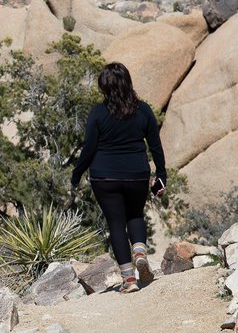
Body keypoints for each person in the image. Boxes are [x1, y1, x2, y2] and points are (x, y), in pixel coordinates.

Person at [71, 62, 167, 293]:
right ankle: (140, 252)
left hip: (105, 176)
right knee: (135, 214)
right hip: (136, 174)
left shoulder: (97, 113)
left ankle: (129, 280)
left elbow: (89, 149)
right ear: (128, 83)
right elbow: (155, 146)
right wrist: (161, 176)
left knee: (116, 223)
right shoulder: (143, 110)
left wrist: (76, 175)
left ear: (103, 87)